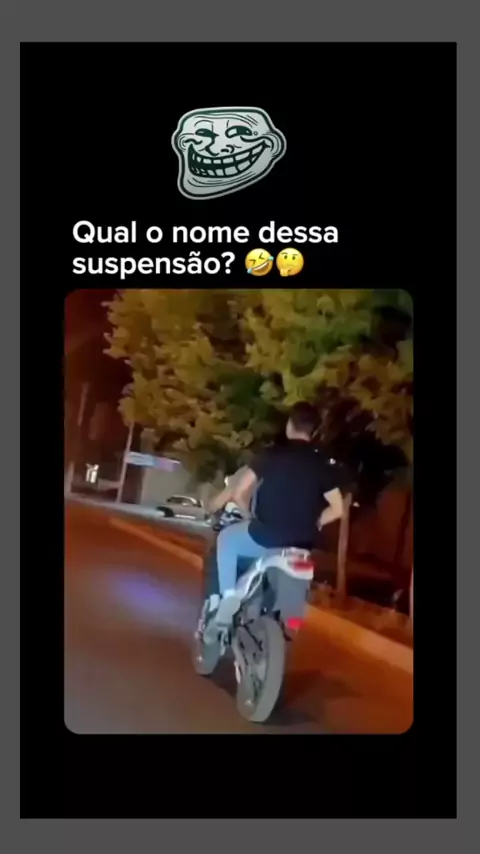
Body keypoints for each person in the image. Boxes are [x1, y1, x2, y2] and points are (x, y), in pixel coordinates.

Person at [207, 401, 345, 629]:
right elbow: (338, 508)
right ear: (314, 432)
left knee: (226, 539)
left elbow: (239, 493)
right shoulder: (321, 463)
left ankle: (228, 598)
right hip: (302, 545)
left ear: (290, 425)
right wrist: (318, 521)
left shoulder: (271, 455)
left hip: (266, 536)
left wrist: (248, 517)